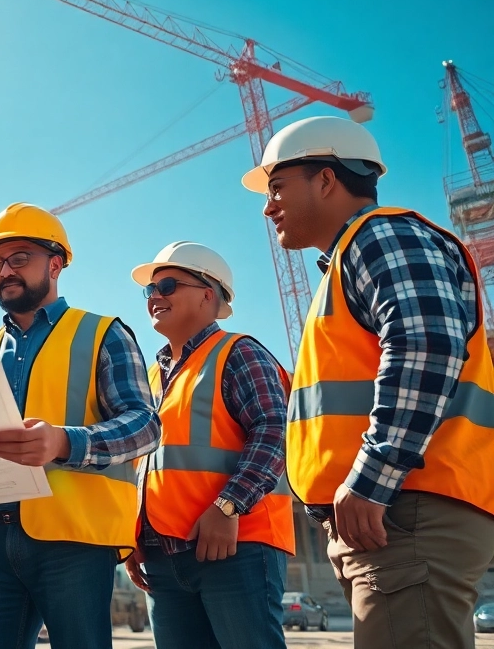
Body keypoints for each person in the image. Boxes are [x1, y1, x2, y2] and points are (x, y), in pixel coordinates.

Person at [242, 116, 494, 648]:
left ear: (327, 179)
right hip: (393, 513)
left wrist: (372, 475)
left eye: (278, 186)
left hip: (405, 506)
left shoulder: (381, 235)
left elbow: (425, 344)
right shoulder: (351, 259)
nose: (269, 207)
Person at [0, 203, 159, 649]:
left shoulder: (103, 333)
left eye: (19, 258)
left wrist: (63, 442)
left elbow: (146, 426)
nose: (5, 271)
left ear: (56, 264)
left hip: (73, 540)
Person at [125, 241, 295, 648]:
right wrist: (130, 536)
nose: (155, 297)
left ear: (207, 293)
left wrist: (228, 505)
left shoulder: (239, 352)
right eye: (150, 290)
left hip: (236, 548)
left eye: (167, 285)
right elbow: (144, 466)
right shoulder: (152, 378)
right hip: (163, 557)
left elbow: (275, 430)